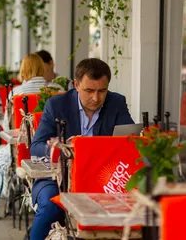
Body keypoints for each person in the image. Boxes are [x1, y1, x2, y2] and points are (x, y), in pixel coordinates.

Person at [29, 58, 134, 240]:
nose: (96, 98)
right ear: (76, 85)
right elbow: (36, 146)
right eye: (89, 91)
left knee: (133, 207)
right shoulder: (57, 105)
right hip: (60, 178)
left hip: (102, 179)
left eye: (102, 91)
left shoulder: (116, 103)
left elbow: (131, 140)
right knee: (50, 206)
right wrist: (60, 150)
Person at [0, 53, 48, 221]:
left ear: (24, 70)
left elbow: (7, 126)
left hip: (21, 151)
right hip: (49, 152)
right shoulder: (56, 91)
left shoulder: (16, 93)